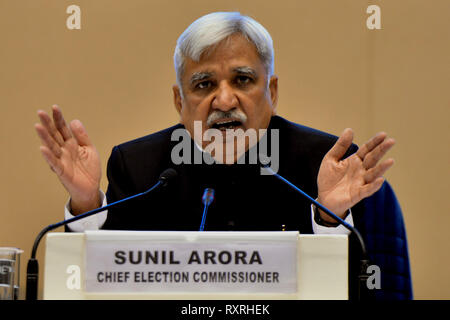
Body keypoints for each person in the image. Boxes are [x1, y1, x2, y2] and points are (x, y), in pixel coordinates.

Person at [34, 12, 412, 299]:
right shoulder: (139, 168)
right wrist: (86, 204)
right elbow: (97, 288)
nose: (225, 100)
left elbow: (377, 290)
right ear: (180, 101)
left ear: (273, 91)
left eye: (243, 80)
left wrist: (329, 219)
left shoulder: (331, 167)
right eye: (204, 84)